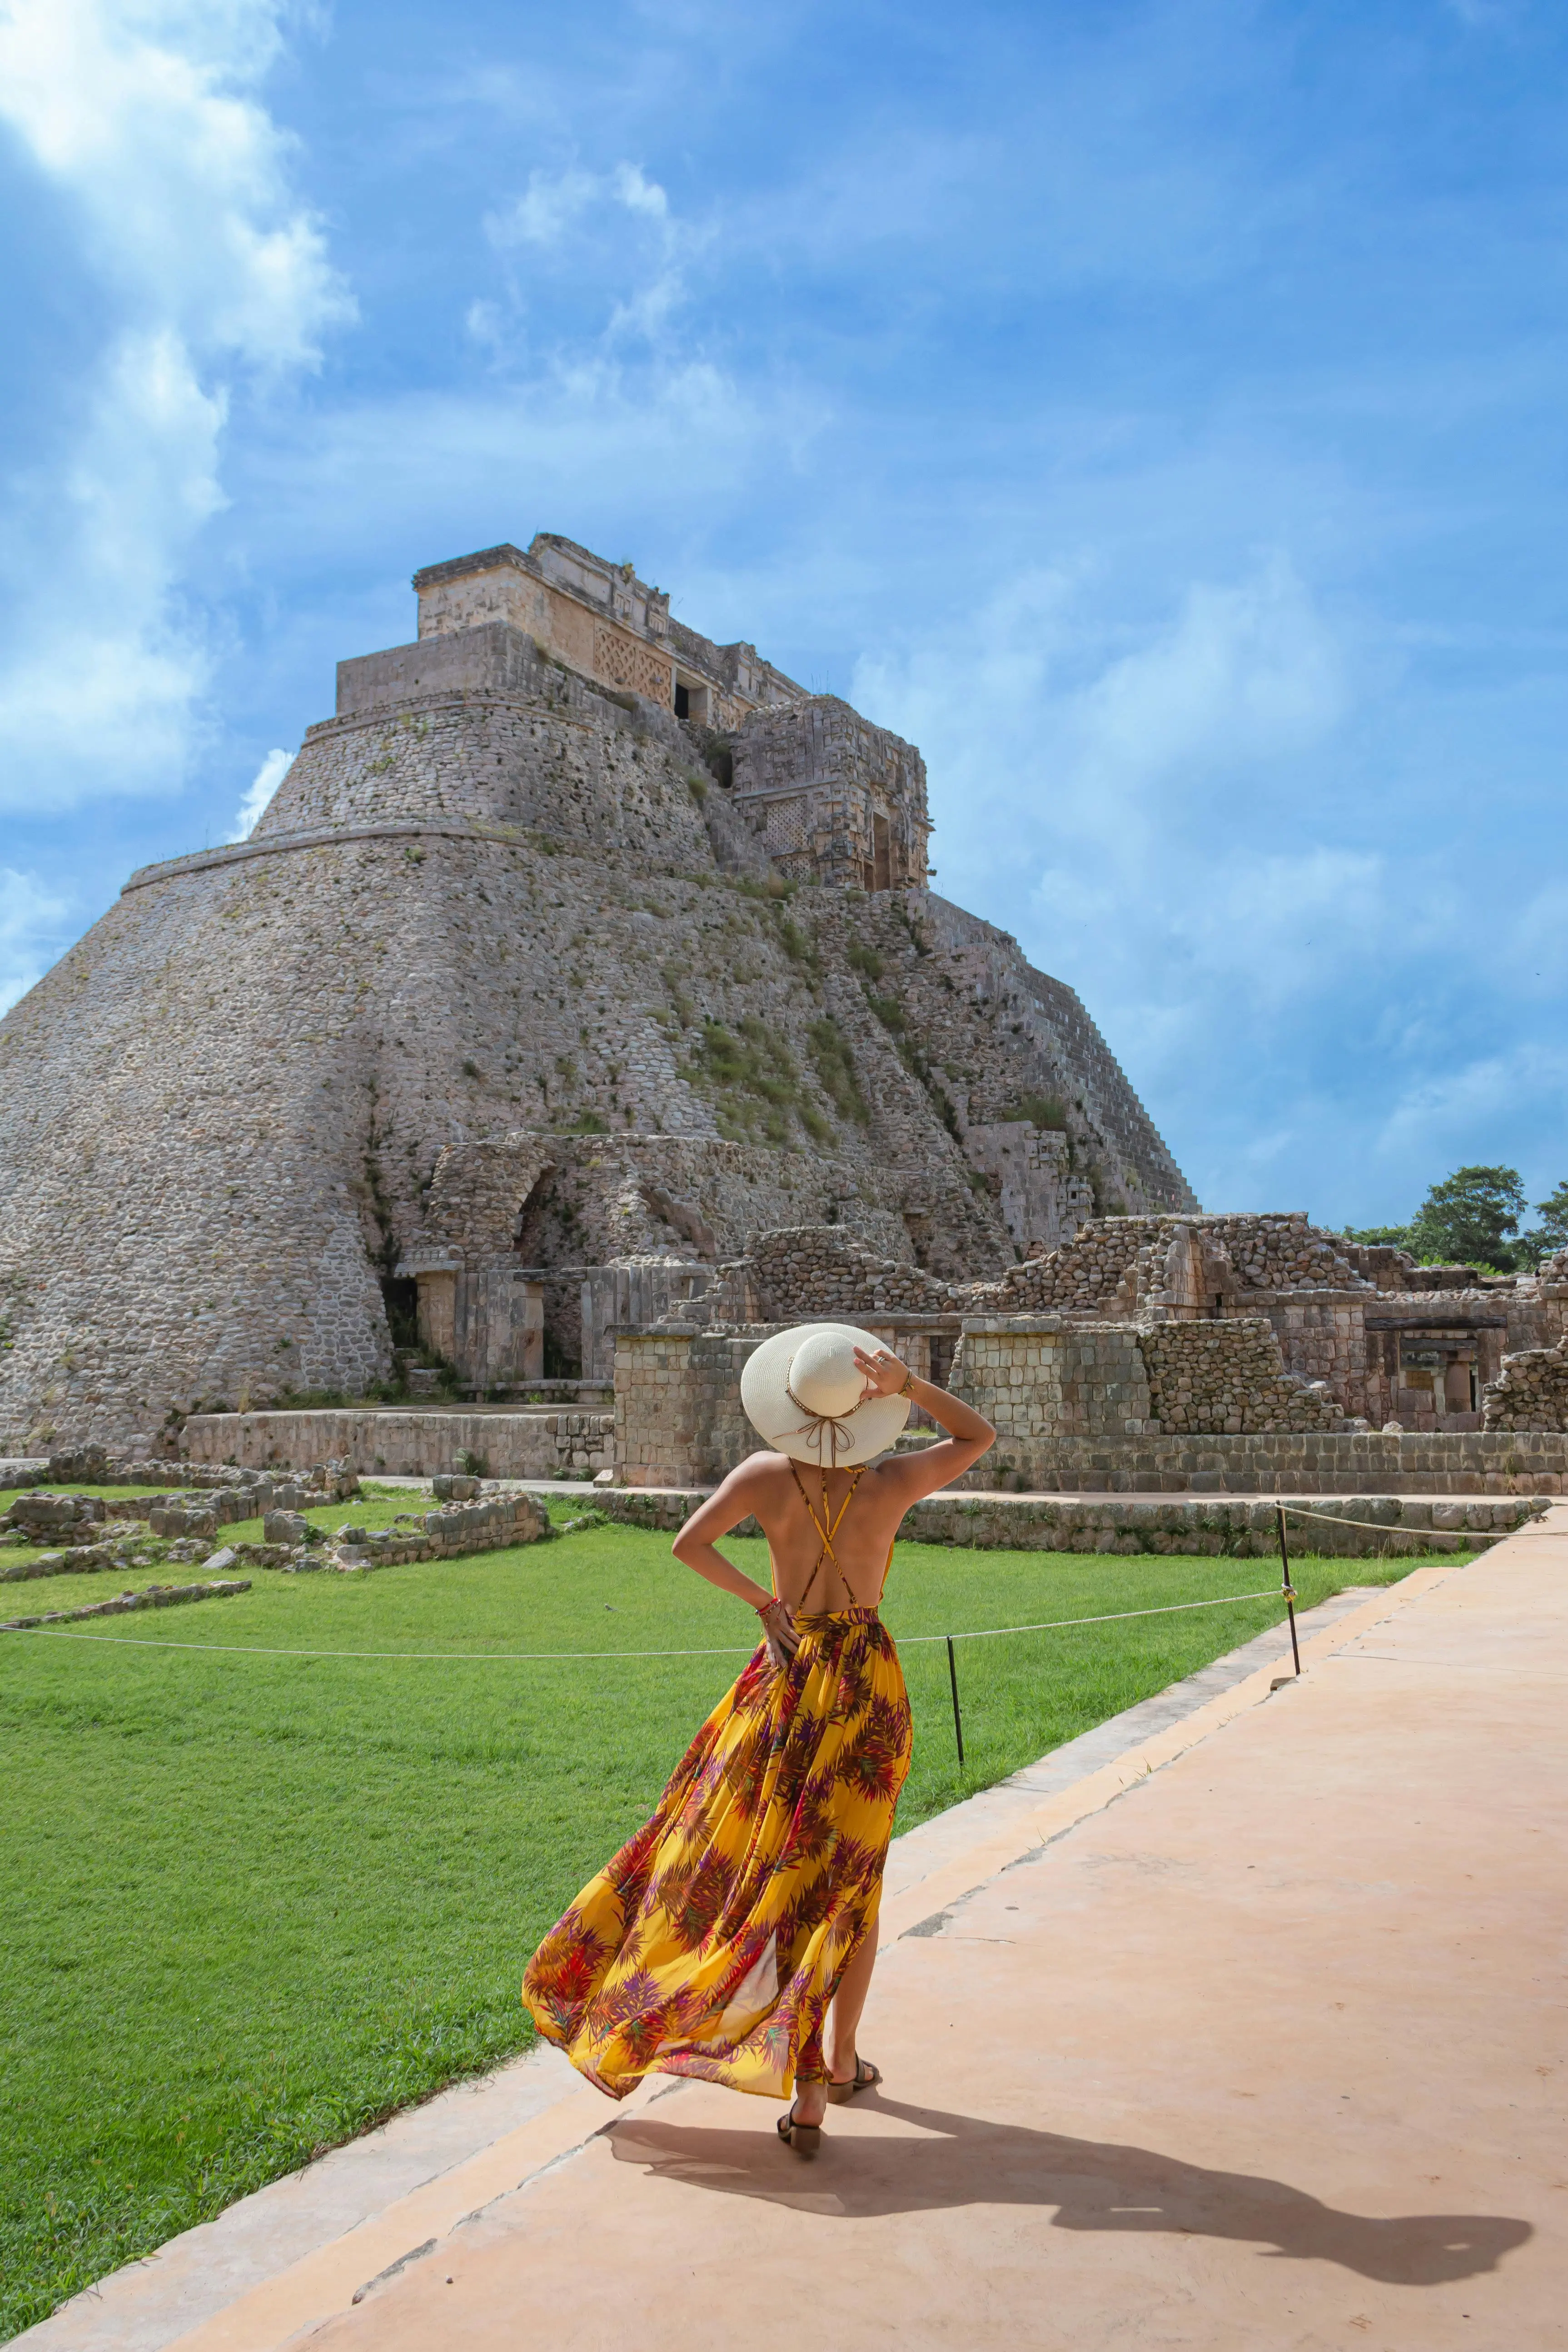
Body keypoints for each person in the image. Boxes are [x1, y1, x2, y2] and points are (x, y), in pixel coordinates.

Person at [522, 1320, 996, 2158]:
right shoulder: (890, 1483)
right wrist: (909, 1387)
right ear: (864, 1413)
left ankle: (799, 2067)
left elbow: (688, 1545)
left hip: (785, 1674)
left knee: (736, 1853)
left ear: (786, 1405)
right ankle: (834, 2067)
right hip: (865, 1685)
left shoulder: (765, 1476)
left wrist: (764, 1604)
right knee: (851, 1881)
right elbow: (978, 1435)